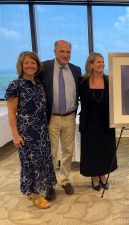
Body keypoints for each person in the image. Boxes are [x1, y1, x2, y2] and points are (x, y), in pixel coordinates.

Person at [5, 51, 57, 209]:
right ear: (21, 65)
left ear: (37, 66)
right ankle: (36, 195)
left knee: (41, 162)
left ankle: (32, 191)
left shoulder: (38, 83)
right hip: (27, 132)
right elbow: (11, 113)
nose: (30, 66)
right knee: (31, 163)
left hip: (41, 131)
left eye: (33, 63)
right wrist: (15, 135)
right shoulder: (15, 86)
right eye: (26, 63)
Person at [40, 40, 82, 200]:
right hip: (52, 118)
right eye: (62, 51)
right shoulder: (45, 68)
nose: (65, 55)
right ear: (55, 52)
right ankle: (49, 184)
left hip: (70, 117)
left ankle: (64, 180)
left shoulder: (76, 70)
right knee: (50, 152)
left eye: (68, 52)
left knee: (68, 151)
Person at [79, 52, 117, 191]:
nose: (102, 64)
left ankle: (103, 175)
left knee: (105, 150)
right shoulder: (82, 82)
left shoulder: (109, 81)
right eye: (98, 62)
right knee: (92, 151)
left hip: (106, 122)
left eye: (102, 62)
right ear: (91, 65)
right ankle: (94, 177)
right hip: (89, 123)